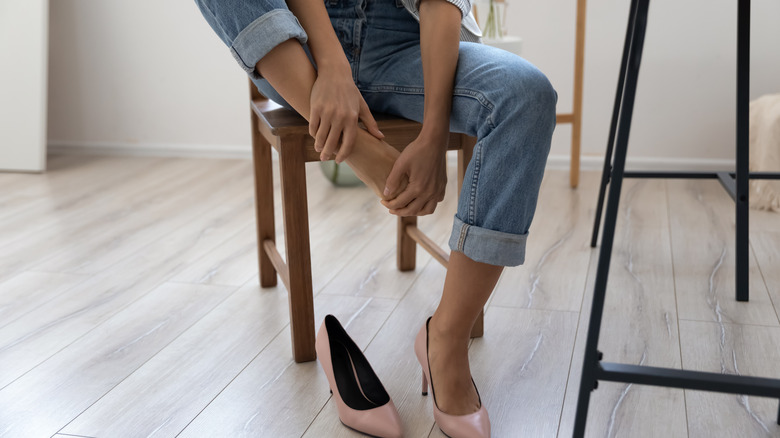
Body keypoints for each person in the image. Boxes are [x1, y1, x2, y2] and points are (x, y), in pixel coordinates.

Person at [195, 0, 557, 435]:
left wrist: (434, 130)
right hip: (295, 47)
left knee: (527, 94)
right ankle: (362, 153)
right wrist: (333, 68)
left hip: (404, 44)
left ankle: (446, 339)